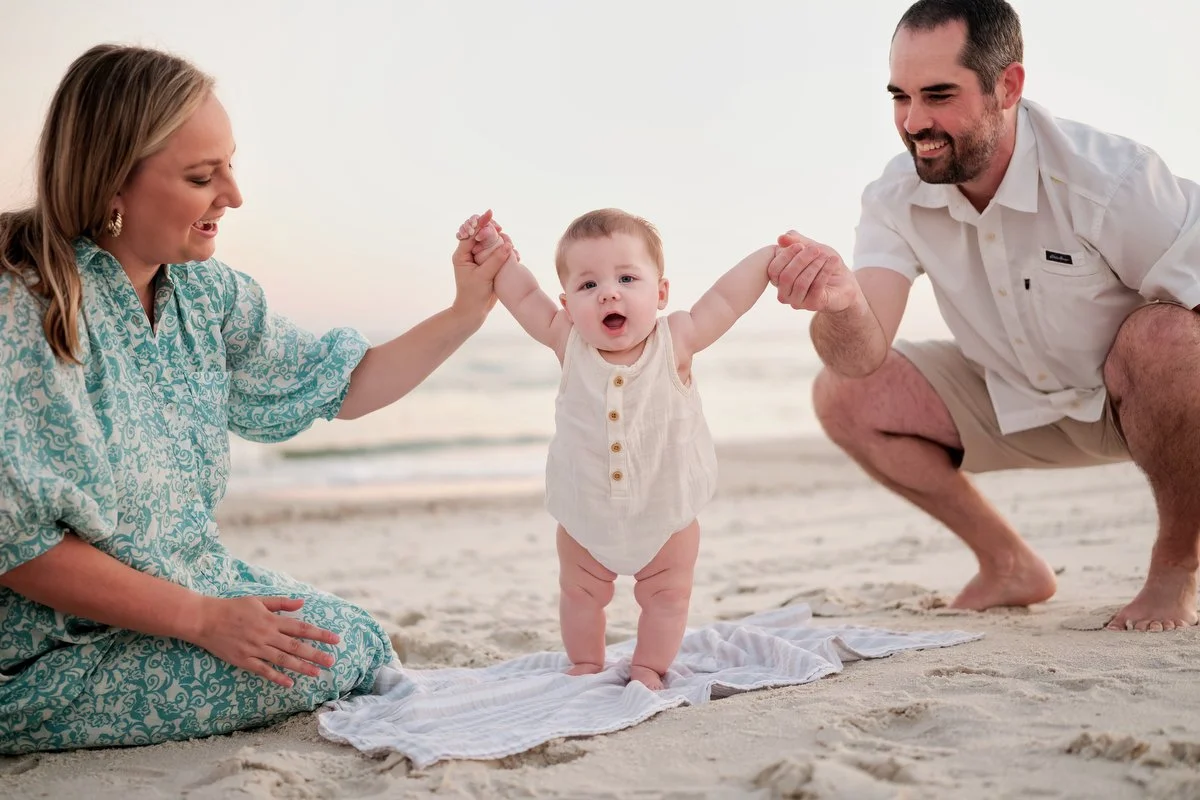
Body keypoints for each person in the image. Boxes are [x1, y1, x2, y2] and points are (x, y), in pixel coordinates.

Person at [0, 44, 511, 754]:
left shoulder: (205, 295)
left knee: (349, 635)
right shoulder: (25, 307)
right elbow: (21, 550)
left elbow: (344, 384)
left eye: (230, 166)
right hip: (45, 650)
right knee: (336, 655)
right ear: (112, 183)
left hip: (185, 594)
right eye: (202, 176)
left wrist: (466, 311)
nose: (233, 196)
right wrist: (208, 621)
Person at [768, 0, 1200, 633]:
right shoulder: (894, 196)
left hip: (1141, 407)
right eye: (900, 97)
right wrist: (838, 303)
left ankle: (1176, 571)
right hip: (1013, 403)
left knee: (1169, 335)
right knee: (842, 391)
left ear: (1009, 87)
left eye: (939, 95)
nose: (915, 122)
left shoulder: (1109, 178)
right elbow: (859, 353)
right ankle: (1009, 563)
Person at [456, 208, 775, 688]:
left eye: (627, 277)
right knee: (579, 593)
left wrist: (772, 257)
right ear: (567, 305)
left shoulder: (678, 340)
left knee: (668, 596)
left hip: (665, 514)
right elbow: (522, 294)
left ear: (660, 292)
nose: (609, 291)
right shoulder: (567, 342)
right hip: (585, 518)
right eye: (588, 286)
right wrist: (493, 250)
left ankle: (649, 666)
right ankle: (586, 662)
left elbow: (727, 299)